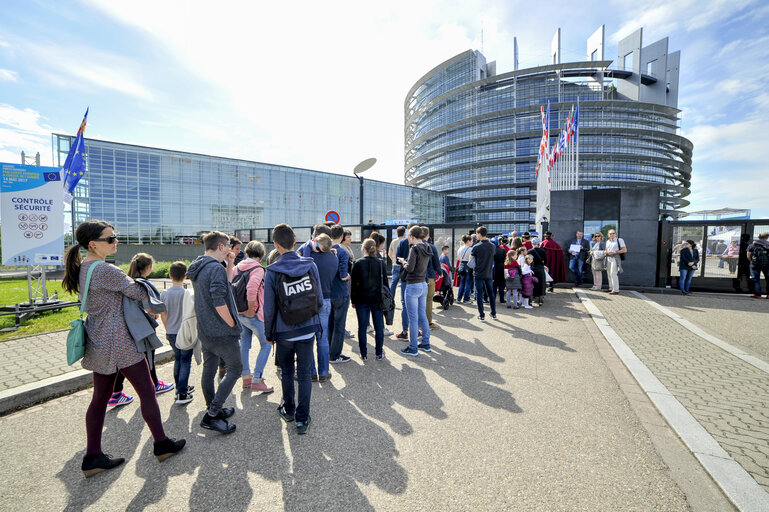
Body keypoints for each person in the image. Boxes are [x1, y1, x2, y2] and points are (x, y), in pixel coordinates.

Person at [62, 220, 185, 476]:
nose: (115, 241)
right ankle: (162, 444)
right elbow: (139, 293)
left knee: (100, 399)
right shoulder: (105, 270)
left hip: (97, 338)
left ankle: (92, 456)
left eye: (115, 237)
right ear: (93, 244)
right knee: (147, 391)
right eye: (110, 239)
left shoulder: (84, 267)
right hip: (118, 339)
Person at [264, 223, 323, 435]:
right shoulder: (310, 265)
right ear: (295, 241)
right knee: (305, 374)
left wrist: (268, 333)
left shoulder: (271, 271)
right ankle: (302, 418)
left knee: (287, 371)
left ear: (276, 245)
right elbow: (320, 298)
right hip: (307, 328)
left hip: (284, 331)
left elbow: (269, 308)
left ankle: (288, 409)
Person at [187, 230, 243, 434]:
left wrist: (230, 263)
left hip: (205, 329)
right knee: (236, 369)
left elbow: (226, 285)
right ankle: (212, 415)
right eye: (228, 246)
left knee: (209, 370)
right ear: (220, 246)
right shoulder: (214, 269)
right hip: (221, 332)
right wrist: (232, 324)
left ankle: (213, 408)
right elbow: (220, 301)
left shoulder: (200, 265)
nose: (230, 249)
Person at [110, 253, 174, 407]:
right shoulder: (142, 284)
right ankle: (155, 385)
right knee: (148, 356)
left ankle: (115, 393)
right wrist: (155, 314)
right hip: (141, 328)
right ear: (148, 267)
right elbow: (151, 308)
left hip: (125, 327)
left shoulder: (127, 281)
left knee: (124, 361)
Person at [233, 240, 274, 393]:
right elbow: (251, 288)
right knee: (267, 343)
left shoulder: (237, 267)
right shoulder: (257, 269)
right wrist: (251, 309)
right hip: (253, 314)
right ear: (261, 255)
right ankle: (257, 379)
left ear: (247, 253)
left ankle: (246, 378)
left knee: (245, 344)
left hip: (240, 313)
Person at [160, 261, 195, 405]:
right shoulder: (188, 293)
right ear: (185, 276)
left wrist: (167, 329)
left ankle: (180, 387)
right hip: (186, 332)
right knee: (186, 361)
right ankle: (182, 392)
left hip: (172, 331)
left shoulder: (165, 293)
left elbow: (163, 314)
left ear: (170, 275)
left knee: (178, 360)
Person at [351, 238, 389, 361]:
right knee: (379, 327)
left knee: (362, 327)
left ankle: (364, 354)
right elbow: (386, 284)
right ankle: (379, 353)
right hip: (377, 299)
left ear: (363, 249)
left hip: (361, 299)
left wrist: (353, 300)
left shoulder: (357, 263)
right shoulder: (381, 262)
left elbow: (354, 284)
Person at [307, 233, 337, 381]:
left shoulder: (311, 258)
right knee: (323, 337)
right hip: (326, 299)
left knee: (308, 337)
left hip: (310, 300)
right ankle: (324, 372)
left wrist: (309, 245)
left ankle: (312, 371)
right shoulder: (334, 257)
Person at [398, 226, 432, 355]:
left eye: (409, 236)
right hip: (423, 284)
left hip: (413, 285)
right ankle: (425, 343)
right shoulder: (427, 247)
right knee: (422, 315)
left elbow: (410, 268)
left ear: (412, 236)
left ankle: (413, 348)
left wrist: (403, 261)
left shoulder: (414, 248)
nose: (408, 239)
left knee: (413, 318)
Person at [328, 224, 352, 363]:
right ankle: (335, 355)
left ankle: (329, 351)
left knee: (330, 323)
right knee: (339, 325)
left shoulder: (324, 250)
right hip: (340, 293)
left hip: (327, 292)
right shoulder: (342, 252)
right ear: (342, 236)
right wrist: (348, 276)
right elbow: (343, 276)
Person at [395, 222, 420, 339]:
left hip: (406, 277)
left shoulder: (403, 243)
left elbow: (396, 259)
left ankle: (405, 332)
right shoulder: (423, 245)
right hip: (419, 278)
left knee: (405, 305)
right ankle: (417, 331)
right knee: (417, 305)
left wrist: (401, 260)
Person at [470, 226, 496, 321]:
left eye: (477, 234)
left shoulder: (476, 246)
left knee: (479, 294)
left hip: (478, 273)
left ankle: (481, 315)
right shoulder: (492, 246)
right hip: (489, 272)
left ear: (480, 234)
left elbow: (471, 258)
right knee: (491, 293)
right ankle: (493, 313)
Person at [422, 226, 441, 329]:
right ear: (428, 235)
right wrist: (440, 273)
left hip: (417, 277)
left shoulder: (414, 246)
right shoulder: (431, 247)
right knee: (429, 300)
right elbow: (436, 263)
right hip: (429, 276)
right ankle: (428, 322)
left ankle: (418, 322)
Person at [605, 229, 628, 295]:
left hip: (615, 258)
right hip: (608, 258)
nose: (611, 234)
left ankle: (616, 290)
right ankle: (610, 288)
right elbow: (606, 249)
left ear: (615, 234)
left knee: (613, 273)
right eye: (610, 233)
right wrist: (606, 251)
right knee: (609, 273)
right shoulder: (607, 241)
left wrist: (615, 252)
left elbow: (624, 249)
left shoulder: (619, 240)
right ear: (608, 235)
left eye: (613, 233)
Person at [747, 232, 769, 299]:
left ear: (758, 237)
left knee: (756, 279)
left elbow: (748, 256)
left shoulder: (752, 245)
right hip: (767, 264)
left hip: (755, 264)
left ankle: (758, 294)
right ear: (767, 238)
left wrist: (753, 261)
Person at [527, 238, 548, 304]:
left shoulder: (530, 251)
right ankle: (540, 299)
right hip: (540, 268)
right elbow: (546, 261)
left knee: (532, 283)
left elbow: (527, 261)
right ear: (539, 243)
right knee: (541, 283)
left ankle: (530, 298)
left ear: (532, 243)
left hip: (532, 269)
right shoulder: (542, 251)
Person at [388, 226, 406, 297]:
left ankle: (391, 299)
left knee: (393, 283)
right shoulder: (405, 241)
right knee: (403, 284)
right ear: (404, 233)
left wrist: (393, 260)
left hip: (395, 265)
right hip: (403, 265)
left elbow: (389, 253)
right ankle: (403, 300)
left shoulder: (393, 241)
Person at [456, 235, 474, 303]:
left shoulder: (460, 248)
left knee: (462, 283)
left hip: (461, 265)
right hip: (468, 266)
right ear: (468, 241)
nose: (472, 242)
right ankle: (466, 299)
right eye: (471, 241)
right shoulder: (470, 249)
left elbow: (458, 258)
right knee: (468, 283)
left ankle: (458, 298)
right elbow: (471, 258)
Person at [492, 238, 507, 303]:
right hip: (501, 267)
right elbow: (504, 258)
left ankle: (493, 298)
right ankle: (501, 299)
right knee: (501, 284)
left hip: (494, 268)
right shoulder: (503, 250)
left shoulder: (491, 250)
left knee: (494, 284)